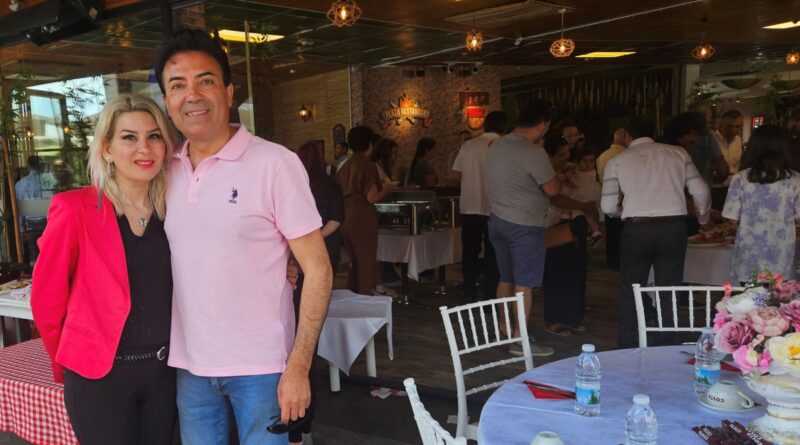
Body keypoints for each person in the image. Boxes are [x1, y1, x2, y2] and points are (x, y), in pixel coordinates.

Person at [154, 29, 332, 444]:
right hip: (191, 367)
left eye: (206, 80)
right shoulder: (163, 170)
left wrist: (299, 366)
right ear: (166, 101)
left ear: (229, 92)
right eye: (177, 85)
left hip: (263, 369)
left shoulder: (274, 163)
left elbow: (319, 270)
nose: (192, 95)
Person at [31, 94, 178, 444]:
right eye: (129, 137)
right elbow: (47, 300)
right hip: (99, 378)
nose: (144, 148)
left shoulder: (175, 208)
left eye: (154, 136)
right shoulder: (74, 209)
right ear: (107, 149)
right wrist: (71, 363)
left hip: (165, 373)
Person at [601, 116, 711, 348]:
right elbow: (700, 191)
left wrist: (624, 212)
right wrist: (703, 218)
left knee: (631, 288)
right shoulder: (678, 153)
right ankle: (666, 342)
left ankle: (629, 341)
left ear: (627, 135)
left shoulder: (617, 161)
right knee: (669, 288)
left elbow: (608, 207)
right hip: (672, 228)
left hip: (636, 229)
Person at [486, 99, 559, 357]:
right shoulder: (533, 152)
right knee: (524, 284)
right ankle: (520, 339)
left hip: (497, 220)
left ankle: (504, 327)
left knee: (506, 277)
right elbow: (553, 189)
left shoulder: (496, 145)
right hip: (524, 225)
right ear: (541, 126)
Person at [292, 141, 345, 445]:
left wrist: (305, 240)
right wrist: (315, 238)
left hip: (301, 259)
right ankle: (302, 427)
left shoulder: (297, 184)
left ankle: (299, 427)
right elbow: (337, 219)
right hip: (323, 252)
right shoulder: (328, 185)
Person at [723, 125, 800, 283]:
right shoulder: (795, 180)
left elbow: (732, 218)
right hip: (781, 258)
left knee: (748, 297)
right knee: (779, 297)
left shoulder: (740, 178)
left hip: (748, 257)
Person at [450, 111, 506, 302]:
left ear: (485, 125)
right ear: (504, 127)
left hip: (469, 206)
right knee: (493, 254)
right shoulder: (504, 145)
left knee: (470, 253)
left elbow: (455, 175)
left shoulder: (468, 145)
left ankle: (469, 294)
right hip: (495, 207)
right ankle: (491, 298)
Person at [542, 133, 592, 336]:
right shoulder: (544, 172)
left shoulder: (568, 170)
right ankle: (555, 318)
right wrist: (583, 205)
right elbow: (554, 198)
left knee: (576, 272)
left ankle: (573, 316)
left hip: (574, 222)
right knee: (556, 272)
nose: (566, 157)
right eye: (562, 154)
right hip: (553, 225)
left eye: (567, 153)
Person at [336, 125, 394, 295]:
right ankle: (365, 300)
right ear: (370, 144)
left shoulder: (344, 166)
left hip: (345, 217)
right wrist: (388, 189)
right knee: (366, 263)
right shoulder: (367, 165)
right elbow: (372, 197)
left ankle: (353, 298)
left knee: (355, 263)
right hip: (362, 217)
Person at [596, 128, 627, 268]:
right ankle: (622, 261)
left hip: (606, 197)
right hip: (623, 199)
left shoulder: (602, 156)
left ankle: (612, 261)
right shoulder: (626, 155)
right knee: (623, 233)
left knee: (611, 233)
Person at [562, 146, 603, 244]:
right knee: (588, 215)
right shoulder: (579, 172)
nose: (588, 164)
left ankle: (595, 232)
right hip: (583, 196)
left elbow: (576, 182)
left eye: (591, 161)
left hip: (585, 195)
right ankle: (595, 232)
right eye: (585, 161)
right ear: (578, 162)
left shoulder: (590, 173)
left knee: (586, 213)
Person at [711, 109, 744, 209]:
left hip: (733, 189)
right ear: (720, 124)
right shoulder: (711, 140)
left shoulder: (738, 140)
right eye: (729, 126)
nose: (733, 130)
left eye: (737, 126)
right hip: (714, 189)